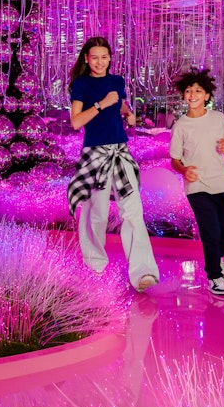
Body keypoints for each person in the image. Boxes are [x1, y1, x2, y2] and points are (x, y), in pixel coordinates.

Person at [66, 37, 159, 292]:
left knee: (133, 212)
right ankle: (95, 266)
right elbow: (76, 122)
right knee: (96, 214)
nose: (99, 61)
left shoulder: (117, 82)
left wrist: (128, 113)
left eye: (104, 57)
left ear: (109, 58)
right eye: (94, 57)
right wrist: (100, 104)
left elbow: (121, 104)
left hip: (121, 152)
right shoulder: (81, 84)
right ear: (86, 58)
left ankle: (143, 273)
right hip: (95, 154)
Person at [169, 68, 224, 297]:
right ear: (183, 95)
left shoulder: (219, 118)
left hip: (221, 184)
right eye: (188, 90)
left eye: (198, 90)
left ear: (207, 95)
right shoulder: (181, 126)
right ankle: (215, 276)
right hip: (196, 187)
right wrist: (184, 170)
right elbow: (174, 160)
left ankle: (218, 258)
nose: (193, 94)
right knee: (211, 231)